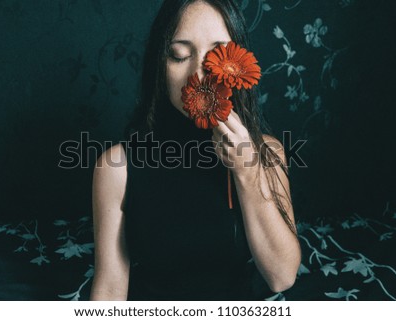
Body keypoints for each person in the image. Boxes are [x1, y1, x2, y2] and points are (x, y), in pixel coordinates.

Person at [90, 0, 301, 301]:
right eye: (179, 55)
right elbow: (110, 288)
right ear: (159, 67)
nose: (198, 75)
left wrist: (247, 172)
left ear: (237, 63)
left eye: (217, 54)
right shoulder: (116, 168)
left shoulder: (269, 153)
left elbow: (282, 277)